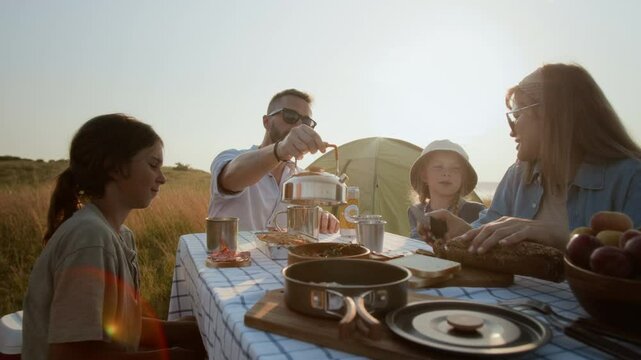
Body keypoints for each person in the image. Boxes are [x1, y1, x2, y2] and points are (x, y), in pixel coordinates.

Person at [22, 114, 205, 360]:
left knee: (192, 324)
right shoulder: (90, 238)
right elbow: (68, 355)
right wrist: (172, 356)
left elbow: (120, 328)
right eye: (153, 165)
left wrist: (187, 332)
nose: (162, 178)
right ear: (115, 167)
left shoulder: (119, 235)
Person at [425, 63, 641, 255]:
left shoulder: (630, 178)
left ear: (553, 115)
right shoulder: (517, 174)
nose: (511, 130)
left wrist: (564, 238)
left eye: (517, 114)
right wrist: (466, 233)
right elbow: (493, 229)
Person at [208, 89, 340, 232]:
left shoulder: (300, 178)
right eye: (290, 116)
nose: (298, 126)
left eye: (306, 122)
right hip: (229, 254)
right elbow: (230, 178)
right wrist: (280, 150)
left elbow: (304, 220)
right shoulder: (231, 158)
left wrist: (322, 217)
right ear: (266, 122)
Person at [408, 140, 485, 239]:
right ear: (424, 175)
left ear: (463, 178)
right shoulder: (415, 211)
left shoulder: (475, 211)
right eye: (438, 167)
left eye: (455, 168)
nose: (446, 173)